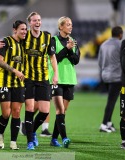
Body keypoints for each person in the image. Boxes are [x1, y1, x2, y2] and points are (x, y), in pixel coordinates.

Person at [0, 12, 58, 150]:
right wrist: (0, 43)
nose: (37, 22)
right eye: (34, 20)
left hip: (42, 78)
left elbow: (53, 56)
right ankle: (27, 141)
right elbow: (11, 40)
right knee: (22, 110)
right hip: (27, 79)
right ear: (30, 23)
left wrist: (56, 74)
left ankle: (30, 132)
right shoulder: (24, 37)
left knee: (44, 111)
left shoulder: (47, 37)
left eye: (39, 20)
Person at [48, 16, 80, 148]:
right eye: (67, 24)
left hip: (69, 78)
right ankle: (64, 138)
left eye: (71, 24)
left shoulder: (73, 41)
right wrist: (67, 49)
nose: (70, 26)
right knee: (60, 109)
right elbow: (55, 58)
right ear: (60, 27)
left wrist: (70, 50)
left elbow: (76, 60)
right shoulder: (53, 40)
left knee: (63, 110)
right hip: (57, 78)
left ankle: (54, 139)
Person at [0, 20, 27, 150]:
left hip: (19, 84)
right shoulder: (6, 42)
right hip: (4, 82)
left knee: (17, 112)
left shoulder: (25, 44)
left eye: (26, 29)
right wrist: (14, 70)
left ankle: (13, 142)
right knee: (6, 113)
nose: (25, 32)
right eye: (22, 29)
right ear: (15, 30)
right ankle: (0, 134)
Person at [98, 26, 123, 133]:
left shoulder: (103, 44)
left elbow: (99, 61)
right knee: (111, 101)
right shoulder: (120, 44)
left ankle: (108, 122)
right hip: (116, 76)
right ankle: (103, 124)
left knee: (111, 99)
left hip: (105, 75)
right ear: (120, 34)